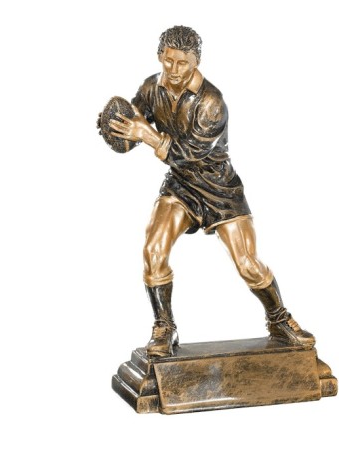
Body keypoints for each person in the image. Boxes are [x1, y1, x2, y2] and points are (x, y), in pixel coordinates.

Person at [109, 26, 315, 357]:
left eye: (183, 63)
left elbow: (189, 153)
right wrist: (116, 129)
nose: (174, 70)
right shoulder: (151, 88)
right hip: (181, 185)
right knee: (153, 250)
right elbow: (135, 126)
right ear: (160, 56)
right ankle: (164, 326)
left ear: (196, 62)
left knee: (248, 264)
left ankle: (279, 319)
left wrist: (145, 135)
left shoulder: (211, 102)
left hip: (219, 186)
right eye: (168, 60)